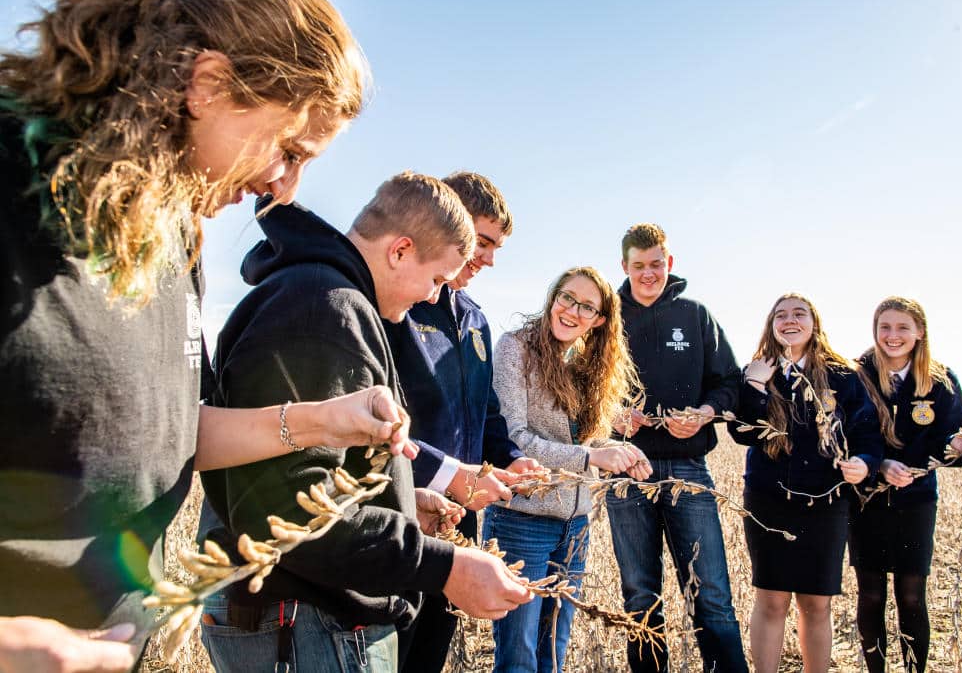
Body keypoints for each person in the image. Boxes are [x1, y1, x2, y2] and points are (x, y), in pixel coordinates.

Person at [0, 0, 417, 671]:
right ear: (208, 84)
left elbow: (154, 432)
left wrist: (319, 421)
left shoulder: (169, 233)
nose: (283, 188)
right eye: (289, 149)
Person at [199, 173, 533, 672]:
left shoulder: (338, 303)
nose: (429, 297)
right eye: (437, 279)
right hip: (299, 618)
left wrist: (400, 501)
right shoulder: (323, 310)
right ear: (399, 250)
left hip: (311, 612)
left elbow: (308, 468)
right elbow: (293, 510)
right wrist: (444, 566)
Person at [386, 171, 543, 673]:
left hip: (458, 522)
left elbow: (486, 413)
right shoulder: (396, 307)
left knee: (430, 652)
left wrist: (514, 459)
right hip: (398, 511)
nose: (490, 258)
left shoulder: (475, 319)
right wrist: (446, 475)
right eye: (486, 240)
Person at [483, 266, 651, 673]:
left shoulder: (584, 362)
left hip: (575, 525)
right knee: (519, 657)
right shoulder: (515, 348)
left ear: (599, 321)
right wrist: (592, 459)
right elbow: (513, 438)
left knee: (553, 654)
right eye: (567, 298)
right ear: (553, 297)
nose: (572, 311)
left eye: (587, 306)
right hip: (522, 521)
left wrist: (618, 450)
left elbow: (582, 440)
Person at [605, 223, 747, 673]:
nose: (648, 274)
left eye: (656, 264)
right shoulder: (606, 320)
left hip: (688, 466)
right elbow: (583, 388)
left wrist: (704, 413)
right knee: (640, 594)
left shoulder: (695, 315)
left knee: (712, 593)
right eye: (638, 266)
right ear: (624, 267)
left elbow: (729, 382)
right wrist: (611, 415)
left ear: (670, 263)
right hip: (627, 469)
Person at [728, 293, 883, 673]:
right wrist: (755, 387)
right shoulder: (757, 370)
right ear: (771, 325)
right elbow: (742, 432)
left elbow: (867, 433)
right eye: (780, 315)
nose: (789, 320)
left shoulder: (843, 376)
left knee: (817, 602)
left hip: (826, 503)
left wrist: (864, 464)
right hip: (768, 501)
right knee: (771, 600)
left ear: (815, 324)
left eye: (799, 313)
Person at [850, 296, 962, 672]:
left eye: (902, 327)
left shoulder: (940, 380)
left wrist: (957, 445)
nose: (893, 336)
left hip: (917, 502)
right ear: (875, 330)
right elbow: (847, 435)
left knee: (911, 597)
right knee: (872, 594)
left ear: (920, 332)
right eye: (885, 327)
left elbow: (951, 437)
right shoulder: (855, 375)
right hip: (866, 501)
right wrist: (880, 466)